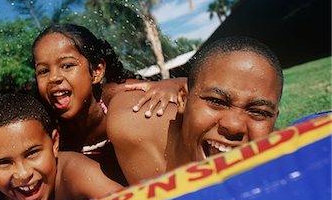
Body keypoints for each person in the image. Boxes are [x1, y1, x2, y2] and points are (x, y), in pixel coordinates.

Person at [0, 23, 185, 200]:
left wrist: (177, 84)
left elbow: (204, 90)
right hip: (108, 196)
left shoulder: (125, 98)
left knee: (130, 119)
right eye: (43, 71)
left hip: (155, 189)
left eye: (67, 66)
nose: (55, 78)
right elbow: (5, 154)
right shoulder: (46, 122)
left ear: (96, 71)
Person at [107, 36, 283, 184]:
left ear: (274, 118)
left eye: (259, 112)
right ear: (183, 99)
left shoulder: (282, 159)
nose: (234, 125)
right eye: (217, 101)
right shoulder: (130, 123)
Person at [0, 93, 123, 200]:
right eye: (4, 163)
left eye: (32, 153)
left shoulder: (77, 174)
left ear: (54, 143)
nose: (23, 174)